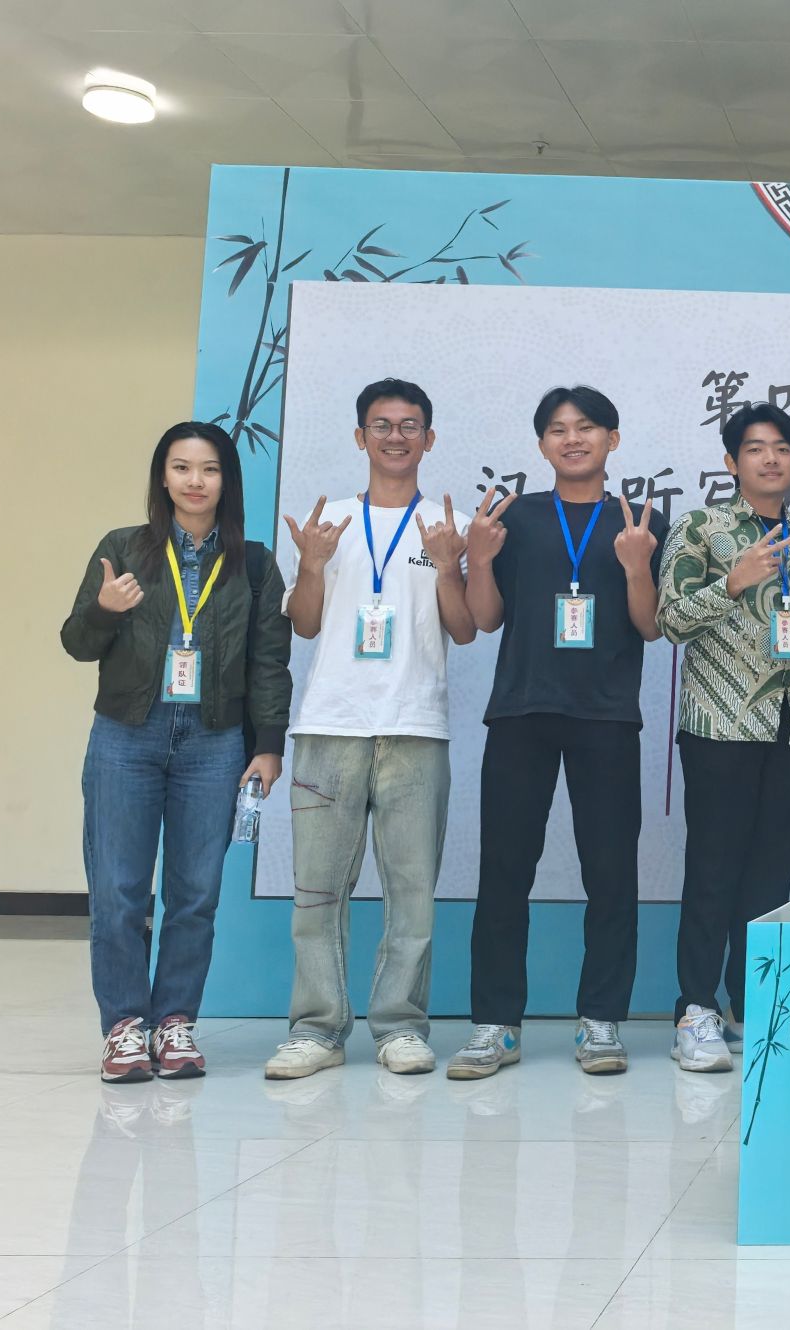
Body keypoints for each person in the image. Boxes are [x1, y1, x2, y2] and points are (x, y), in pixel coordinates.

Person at [448, 386, 667, 1080]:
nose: (573, 439)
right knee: (504, 872)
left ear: (613, 439)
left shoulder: (639, 522)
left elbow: (650, 625)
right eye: (558, 430)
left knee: (612, 873)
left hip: (607, 715)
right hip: (521, 711)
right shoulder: (516, 517)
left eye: (587, 427)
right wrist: (480, 558)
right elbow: (485, 619)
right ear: (542, 445)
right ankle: (495, 1026)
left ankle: (601, 1021)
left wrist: (637, 567)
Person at [62, 421, 292, 1082]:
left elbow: (268, 662)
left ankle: (174, 1022)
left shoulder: (254, 562)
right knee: (118, 891)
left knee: (195, 894)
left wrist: (267, 745)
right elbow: (77, 642)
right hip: (126, 735)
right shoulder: (123, 548)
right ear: (163, 477)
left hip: (214, 741)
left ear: (227, 481)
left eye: (210, 469)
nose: (196, 481)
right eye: (182, 468)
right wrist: (105, 609)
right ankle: (124, 1027)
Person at [263, 379, 476, 1081]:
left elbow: (464, 629)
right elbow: (304, 624)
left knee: (412, 891)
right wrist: (311, 565)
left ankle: (401, 1026)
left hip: (416, 727)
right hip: (330, 724)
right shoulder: (330, 521)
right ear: (361, 437)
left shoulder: (446, 523)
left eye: (409, 425)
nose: (395, 437)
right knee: (317, 890)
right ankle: (316, 1029)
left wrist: (449, 566)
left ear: (428, 439)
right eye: (381, 425)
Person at [659, 402, 790, 1074]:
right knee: (714, 869)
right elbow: (670, 621)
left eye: (782, 447)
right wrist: (733, 582)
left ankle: (754, 1006)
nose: (770, 458)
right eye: (755, 448)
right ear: (732, 462)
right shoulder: (700, 528)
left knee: (772, 876)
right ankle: (695, 1009)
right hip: (720, 724)